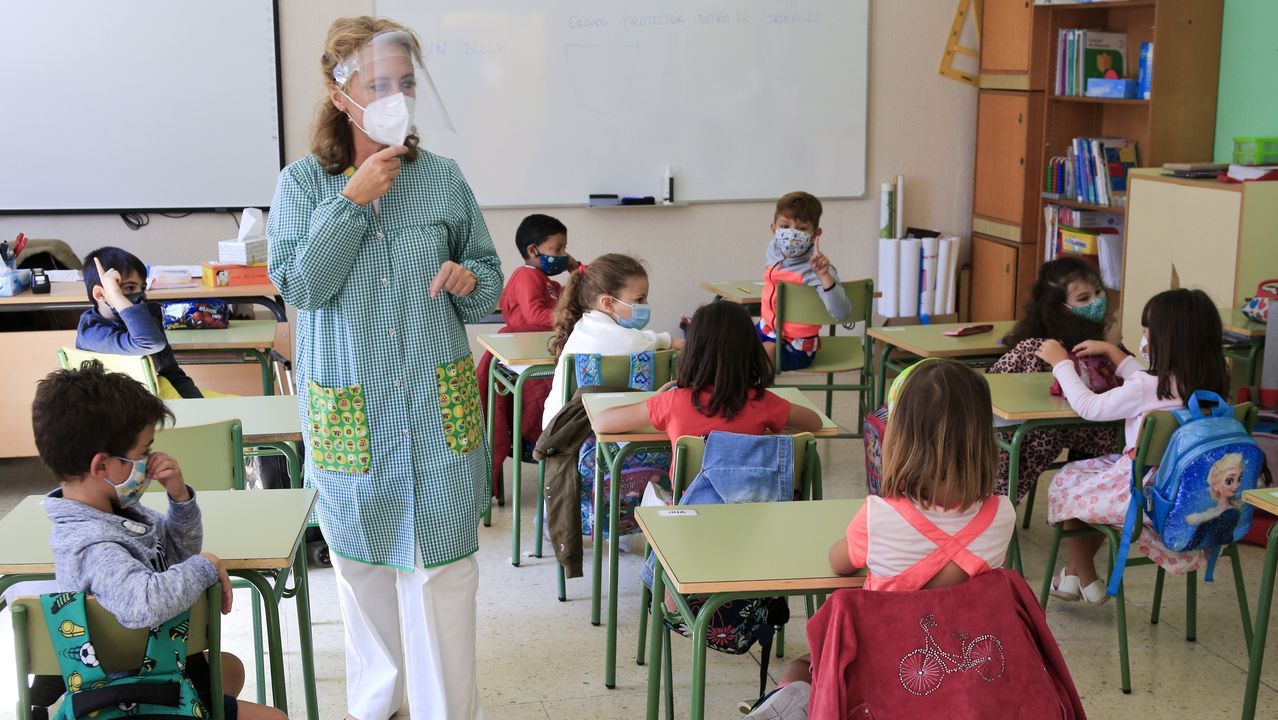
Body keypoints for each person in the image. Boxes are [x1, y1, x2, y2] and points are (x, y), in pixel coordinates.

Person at [266, 16, 502, 719]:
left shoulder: (442, 180)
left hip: (436, 416)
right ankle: (380, 708)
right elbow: (302, 291)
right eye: (378, 84)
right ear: (342, 95)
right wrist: (350, 202)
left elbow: (489, 283)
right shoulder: (303, 186)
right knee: (364, 579)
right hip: (354, 418)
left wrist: (468, 280)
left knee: (444, 581)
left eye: (405, 83)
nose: (396, 96)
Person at [29, 362, 283, 720]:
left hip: (153, 663)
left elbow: (177, 556)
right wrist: (206, 565)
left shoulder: (116, 512)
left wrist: (180, 500)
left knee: (230, 670)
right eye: (143, 451)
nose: (150, 462)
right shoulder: (96, 548)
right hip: (126, 692)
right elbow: (145, 603)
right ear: (103, 466)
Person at [1041, 288, 1231, 605]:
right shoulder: (1212, 381)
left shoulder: (1147, 386)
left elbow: (1091, 407)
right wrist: (1115, 355)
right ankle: (1074, 576)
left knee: (1066, 483)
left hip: (1142, 498)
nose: (1143, 337)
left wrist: (1062, 363)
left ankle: (1084, 577)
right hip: (1189, 495)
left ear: (1166, 339)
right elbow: (1151, 384)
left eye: (1147, 331)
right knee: (1088, 490)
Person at [829, 358, 1016, 590]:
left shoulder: (877, 517)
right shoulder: (1002, 515)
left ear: (899, 439)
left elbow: (838, 563)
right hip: (971, 627)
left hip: (890, 626)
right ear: (984, 440)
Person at [987, 257, 1122, 500]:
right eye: (1083, 299)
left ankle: (1081, 514)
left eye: (1098, 292)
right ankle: (996, 503)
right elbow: (993, 392)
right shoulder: (1036, 349)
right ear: (1060, 307)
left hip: (1093, 428)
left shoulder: (1107, 338)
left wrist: (1114, 349)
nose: (1096, 302)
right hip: (1042, 432)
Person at [593, 301, 823, 443]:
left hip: (689, 510)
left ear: (692, 352)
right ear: (751, 352)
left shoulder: (671, 402)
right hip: (752, 508)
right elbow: (815, 423)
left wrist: (657, 399)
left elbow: (601, 423)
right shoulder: (763, 402)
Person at [476, 213, 579, 500]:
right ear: (533, 250)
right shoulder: (527, 276)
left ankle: (553, 441)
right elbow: (535, 315)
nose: (563, 255)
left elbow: (585, 290)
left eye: (564, 249)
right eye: (557, 249)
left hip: (540, 349)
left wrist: (575, 268)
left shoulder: (547, 280)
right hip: (523, 354)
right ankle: (541, 440)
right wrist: (566, 318)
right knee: (545, 395)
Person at [541, 253, 682, 427]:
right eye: (639, 299)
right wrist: (668, 340)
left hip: (566, 428)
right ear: (608, 303)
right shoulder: (624, 340)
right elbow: (633, 342)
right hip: (572, 433)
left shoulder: (586, 326)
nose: (645, 305)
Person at [77, 247, 203, 399]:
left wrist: (198, 403)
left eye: (142, 287)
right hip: (116, 412)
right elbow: (150, 342)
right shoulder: (91, 333)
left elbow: (171, 372)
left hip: (155, 402)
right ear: (100, 294)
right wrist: (116, 296)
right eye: (129, 287)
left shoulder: (147, 315)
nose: (140, 295)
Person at [756, 191, 851, 371]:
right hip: (767, 329)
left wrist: (824, 277)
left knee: (760, 353)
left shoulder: (819, 269)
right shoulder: (773, 249)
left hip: (796, 346)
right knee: (728, 339)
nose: (791, 234)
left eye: (801, 229)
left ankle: (756, 396)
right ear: (773, 228)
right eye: (784, 226)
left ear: (815, 234)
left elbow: (842, 313)